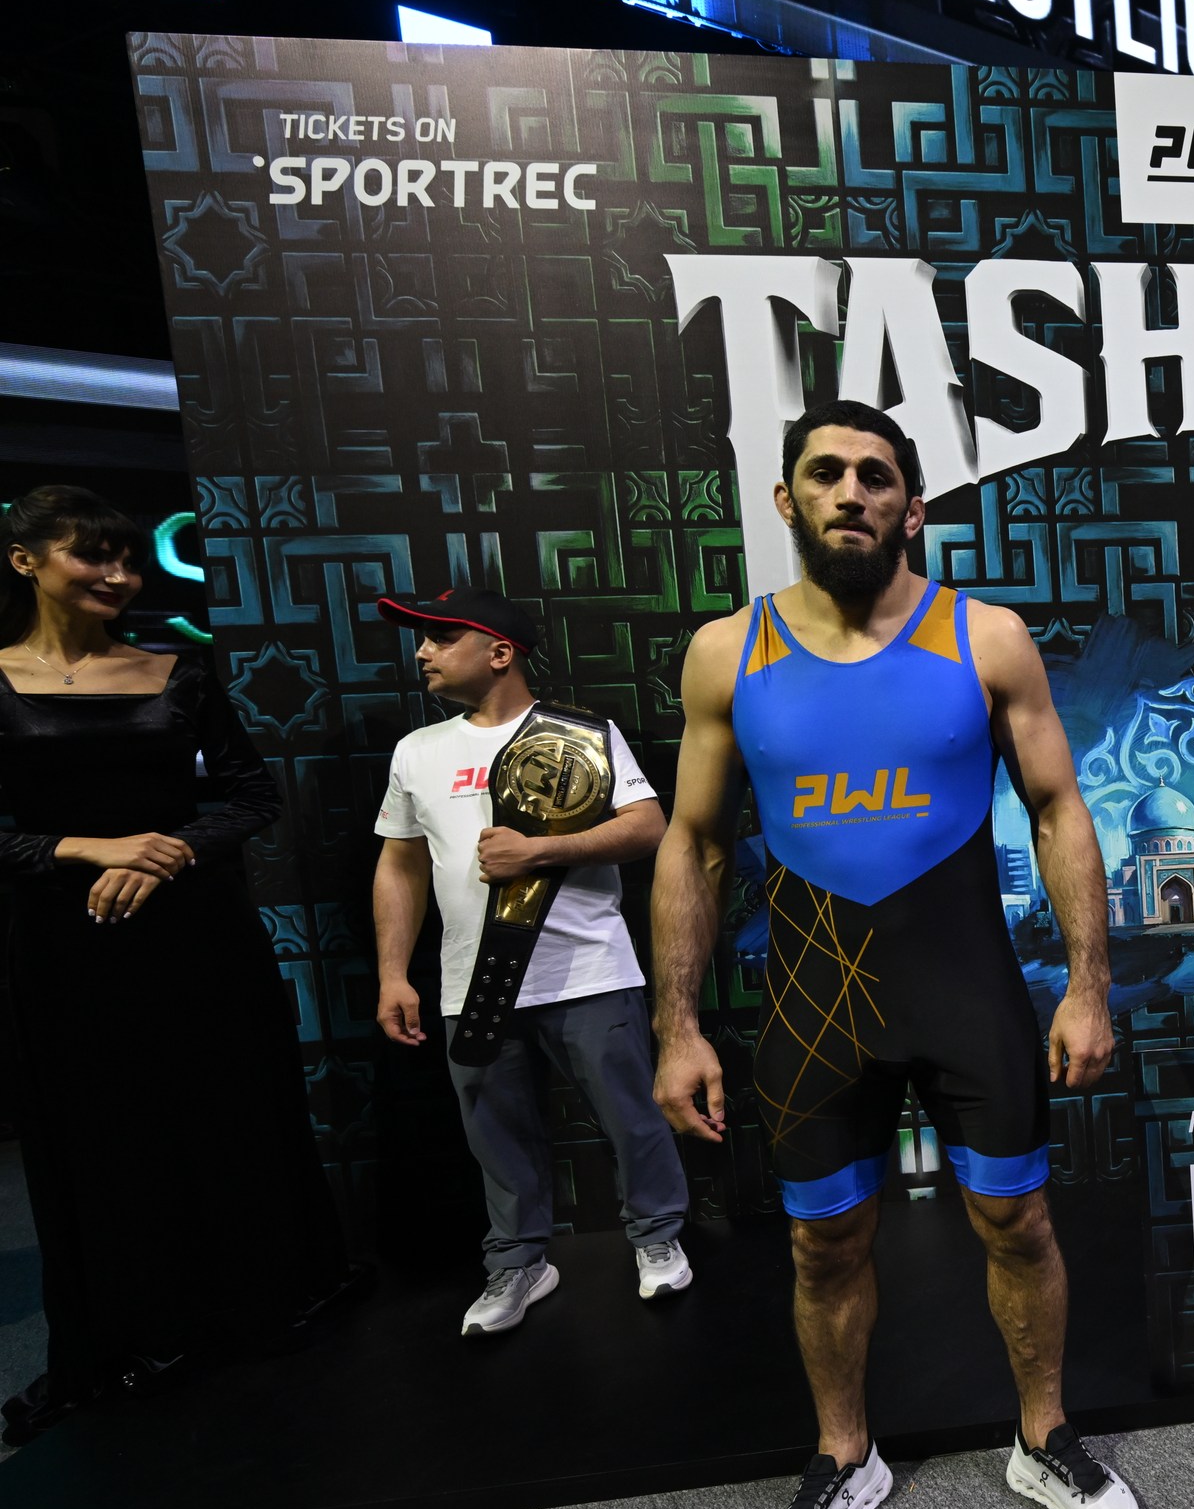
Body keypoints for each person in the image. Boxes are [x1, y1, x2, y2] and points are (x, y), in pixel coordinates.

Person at [651, 399, 1132, 1509]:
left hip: (965, 989)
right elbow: (692, 843)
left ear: (911, 508)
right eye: (826, 473)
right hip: (813, 1007)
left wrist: (1088, 986)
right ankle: (843, 1456)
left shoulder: (985, 637)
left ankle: (1042, 1438)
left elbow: (1059, 808)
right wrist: (677, 1026)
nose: (851, 493)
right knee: (823, 1244)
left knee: (1017, 1224)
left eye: (876, 476)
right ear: (787, 500)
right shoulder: (727, 653)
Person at [0, 486, 351, 1445]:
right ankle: (134, 1329)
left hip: (197, 937)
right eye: (93, 555)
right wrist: (81, 847)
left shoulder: (180, 672)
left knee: (224, 1112)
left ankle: (252, 1305)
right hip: (69, 949)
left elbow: (251, 795)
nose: (119, 575)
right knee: (102, 1134)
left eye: (127, 559)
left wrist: (169, 851)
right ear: (26, 560)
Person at [370, 587, 692, 1336]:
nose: (422, 651)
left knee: (631, 1118)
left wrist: (541, 850)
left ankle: (657, 1237)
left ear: (499, 651)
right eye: (422, 638)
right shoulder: (417, 750)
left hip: (589, 971)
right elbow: (399, 865)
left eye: (440, 637)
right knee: (496, 1134)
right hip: (470, 981)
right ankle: (518, 1261)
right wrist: (392, 973)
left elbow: (648, 826)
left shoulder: (584, 733)